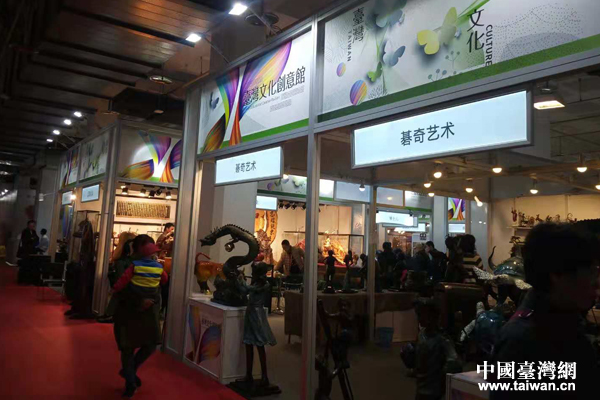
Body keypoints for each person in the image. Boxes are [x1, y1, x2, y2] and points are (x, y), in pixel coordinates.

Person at [490, 223, 600, 399]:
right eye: (591, 271)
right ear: (557, 274)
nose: (597, 282)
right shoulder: (522, 342)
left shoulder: (567, 324)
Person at [112, 235, 168, 398]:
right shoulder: (125, 264)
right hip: (128, 312)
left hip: (148, 312)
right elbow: (120, 288)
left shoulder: (150, 265)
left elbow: (161, 284)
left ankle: (128, 372)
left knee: (149, 345)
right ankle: (130, 381)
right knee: (128, 348)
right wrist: (140, 300)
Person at [237, 262, 277, 387]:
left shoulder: (264, 284)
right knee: (248, 342)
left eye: (254, 272)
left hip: (257, 314)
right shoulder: (256, 283)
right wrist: (241, 282)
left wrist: (241, 280)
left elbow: (249, 289)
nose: (253, 274)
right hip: (251, 312)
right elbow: (245, 291)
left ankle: (264, 376)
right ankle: (248, 375)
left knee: (259, 344)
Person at [414, 298, 461, 400]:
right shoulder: (421, 335)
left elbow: (454, 364)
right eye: (418, 315)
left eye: (422, 314)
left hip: (435, 393)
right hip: (421, 390)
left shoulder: (442, 340)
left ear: (433, 317)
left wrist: (443, 373)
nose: (419, 318)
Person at [98, 232, 137, 323]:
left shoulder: (120, 259)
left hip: (126, 285)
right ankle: (110, 314)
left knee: (118, 293)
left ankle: (110, 314)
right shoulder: (131, 258)